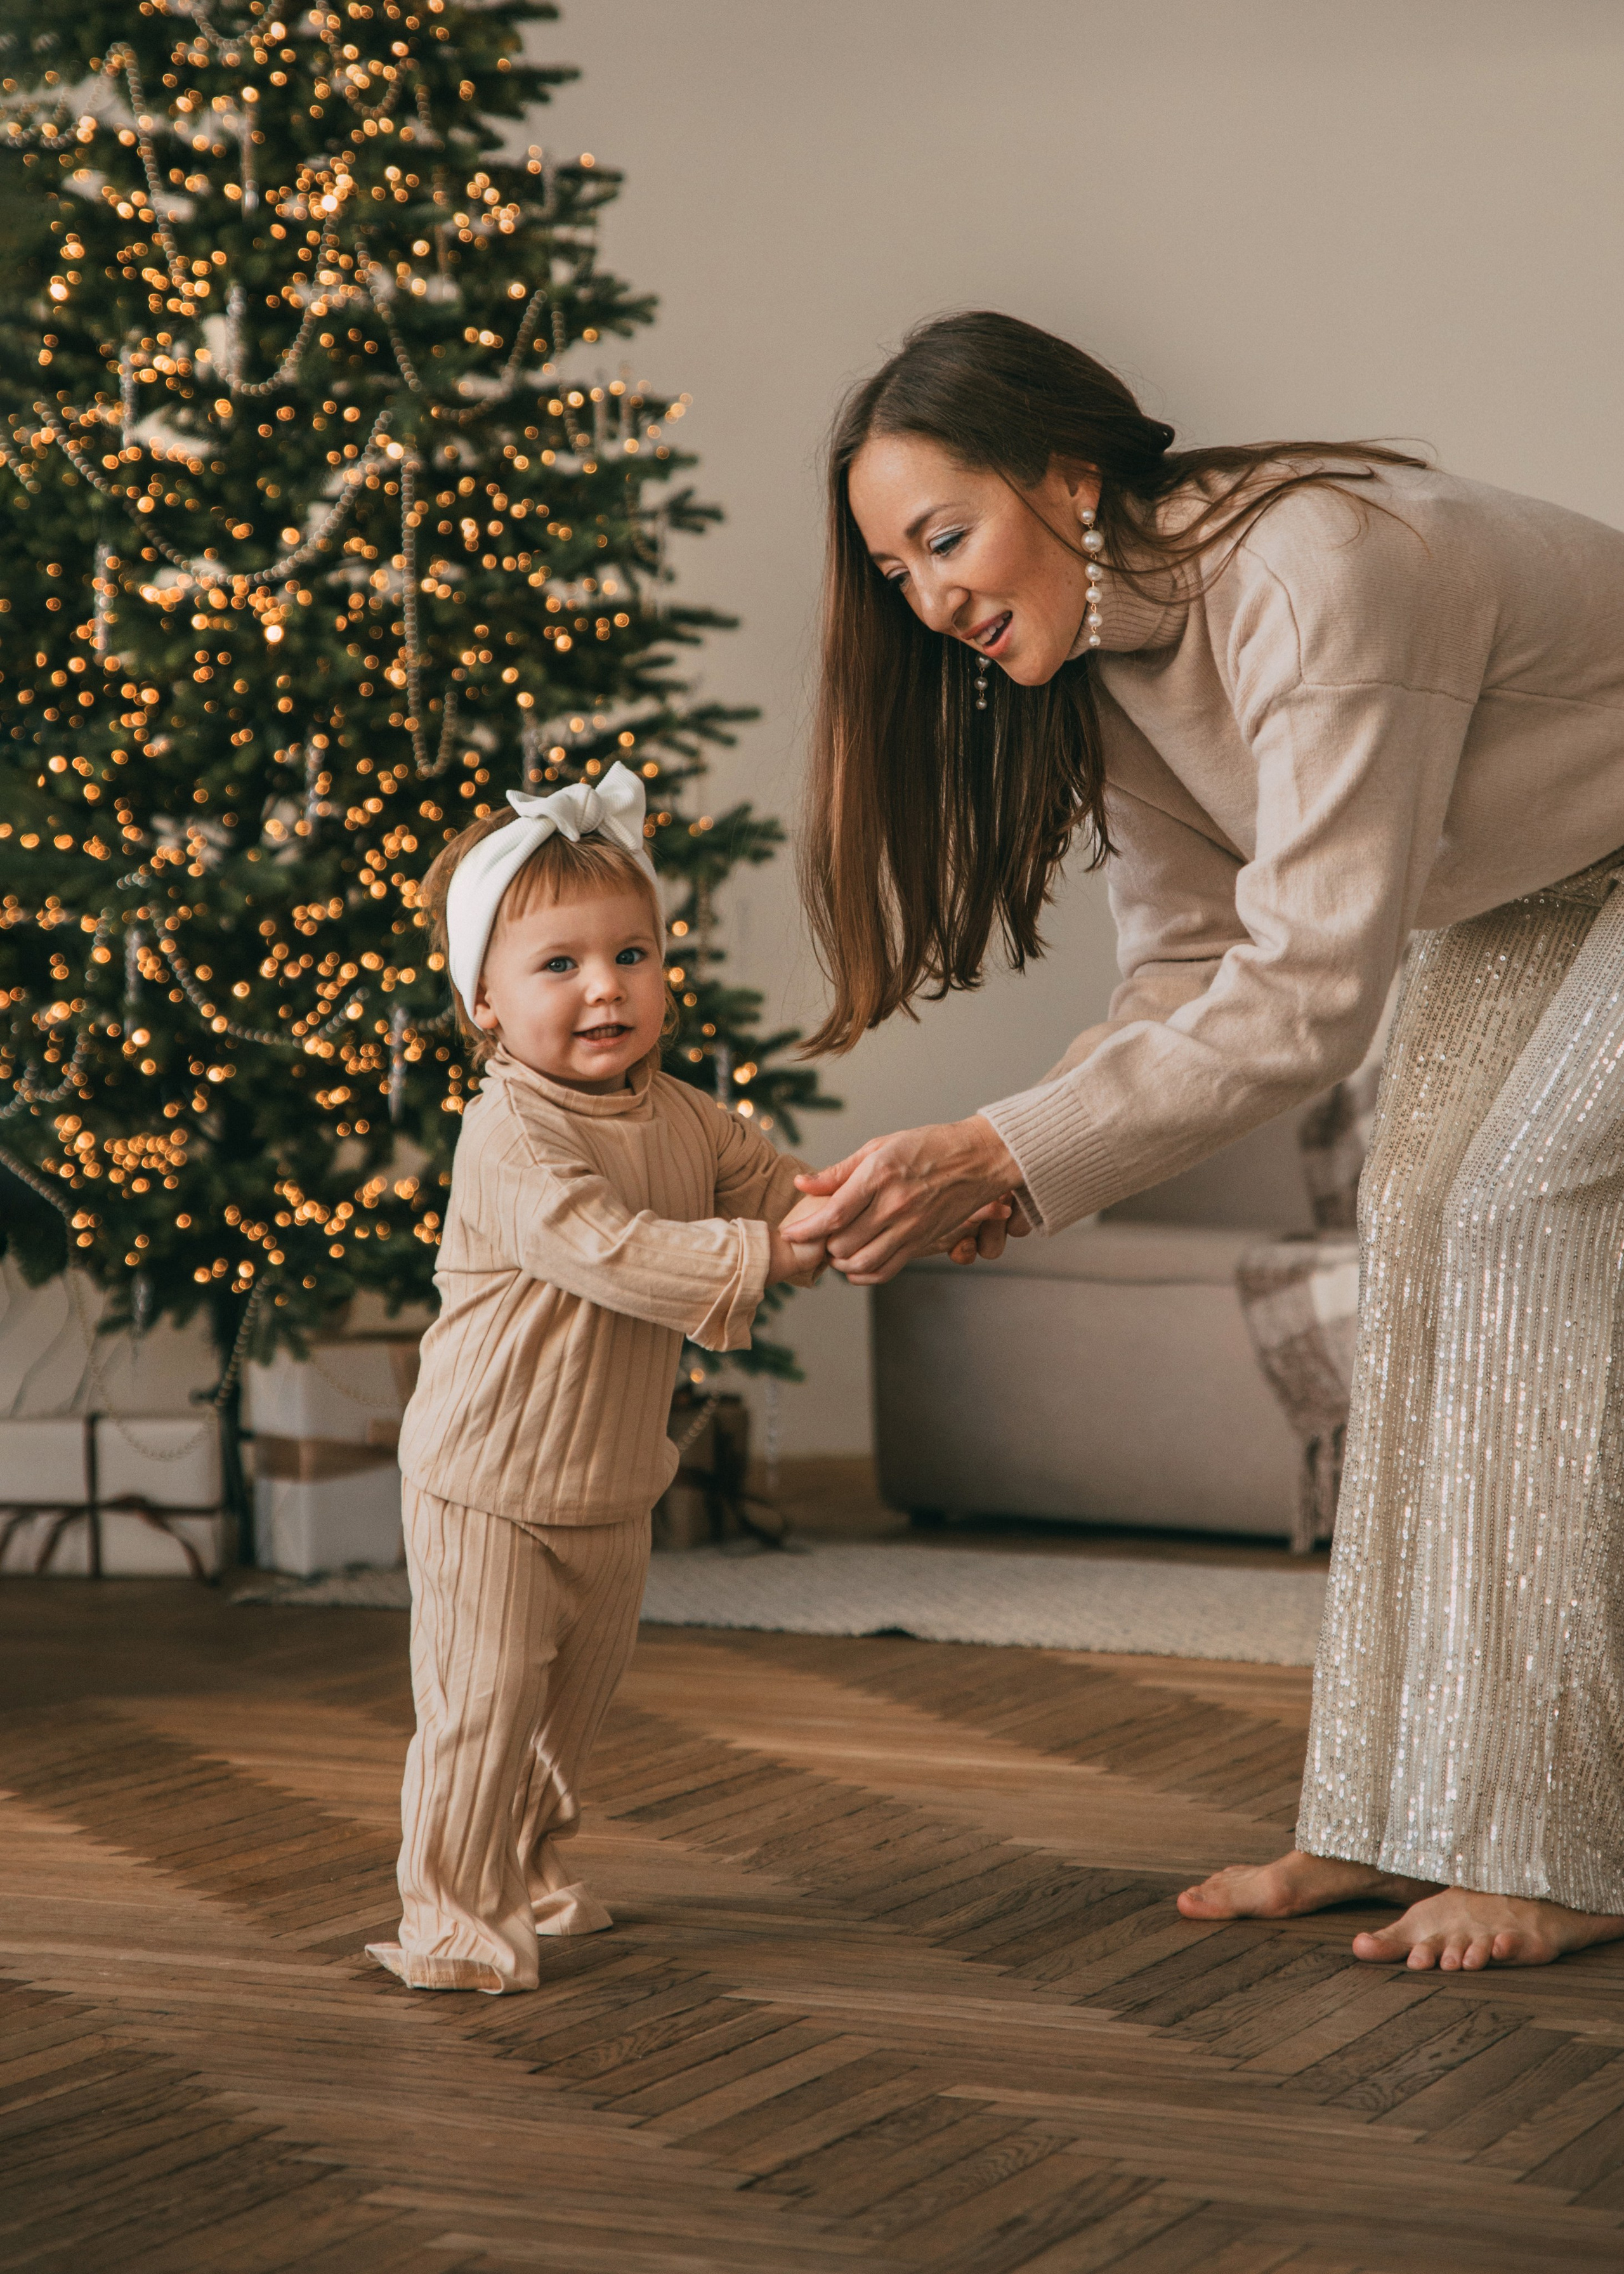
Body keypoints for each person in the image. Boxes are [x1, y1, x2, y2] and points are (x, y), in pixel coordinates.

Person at [787, 309, 1624, 1971]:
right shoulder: (1106, 665)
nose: (931, 596)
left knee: (1508, 1215)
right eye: (896, 572)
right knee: (1414, 1224)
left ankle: (1559, 1844)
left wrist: (1004, 1149)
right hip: (1547, 881)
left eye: (946, 537)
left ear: (1070, 478)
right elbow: (1188, 967)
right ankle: (1394, 1816)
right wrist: (1014, 1169)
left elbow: (1312, 983)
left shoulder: (1316, 575)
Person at [367, 765, 825, 1994]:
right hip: (487, 1479)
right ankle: (455, 1913)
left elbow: (779, 1191)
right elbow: (607, 1249)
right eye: (557, 965)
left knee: (568, 1709)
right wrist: (766, 1252)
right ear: (483, 1001)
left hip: (612, 1477)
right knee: (482, 1709)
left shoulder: (682, 1113)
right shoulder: (510, 1132)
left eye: (632, 953)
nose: (605, 986)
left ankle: (532, 1871)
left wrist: (866, 1209)